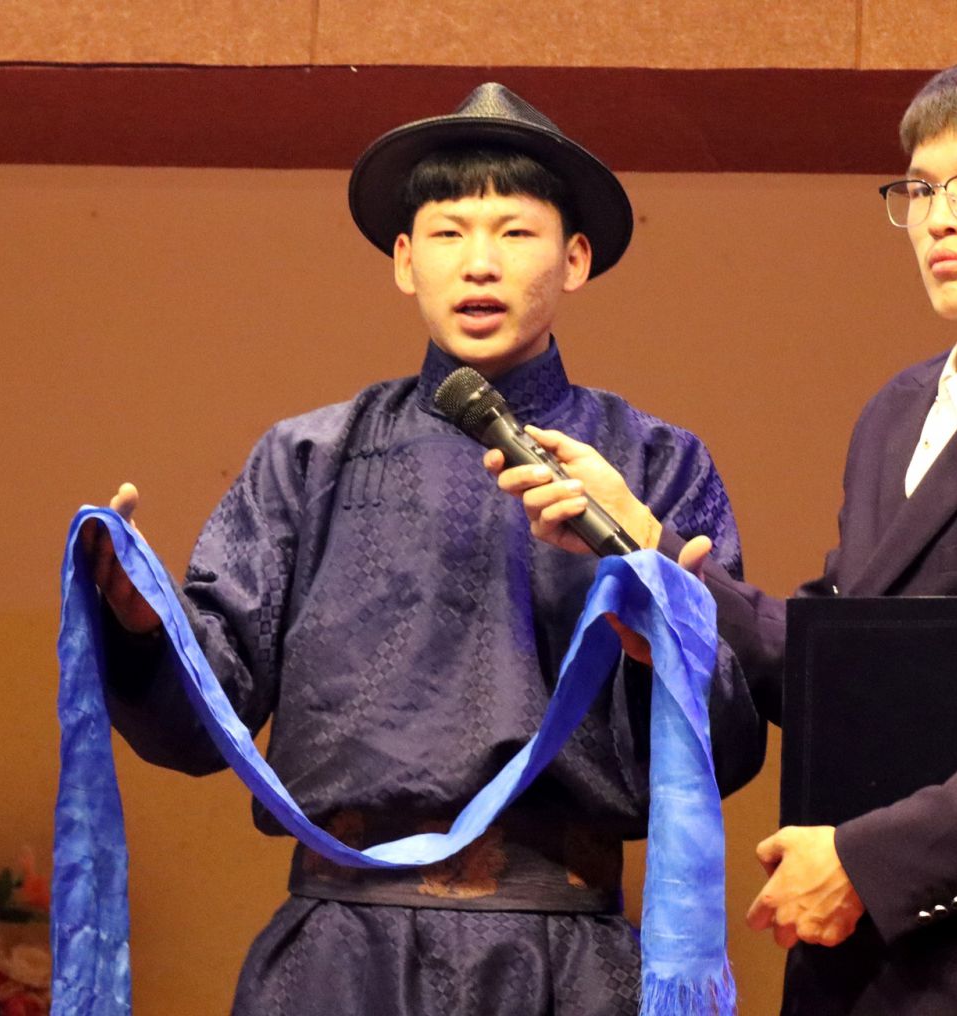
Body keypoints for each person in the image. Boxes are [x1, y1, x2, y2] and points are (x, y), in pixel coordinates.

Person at [491, 55, 957, 1015]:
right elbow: (842, 669)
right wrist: (650, 554)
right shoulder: (895, 414)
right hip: (848, 977)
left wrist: (865, 861)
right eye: (921, 189)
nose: (940, 217)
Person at [77, 82, 765, 1015]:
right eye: (448, 233)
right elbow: (210, 706)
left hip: (562, 950)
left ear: (575, 258)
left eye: (514, 232)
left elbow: (725, 740)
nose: (479, 262)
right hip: (338, 950)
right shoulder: (309, 456)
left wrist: (660, 647)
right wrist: (141, 621)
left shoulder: (652, 464)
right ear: (405, 260)